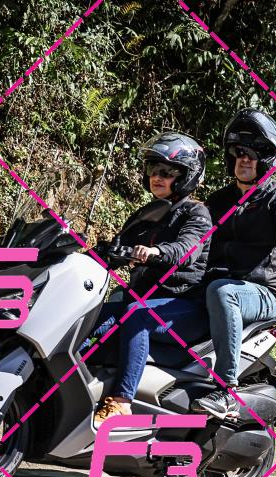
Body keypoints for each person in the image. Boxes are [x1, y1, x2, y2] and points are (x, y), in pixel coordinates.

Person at [192, 108, 276, 419]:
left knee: (222, 291)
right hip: (217, 284)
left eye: (253, 154)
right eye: (239, 152)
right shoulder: (218, 201)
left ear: (266, 160)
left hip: (261, 292)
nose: (245, 160)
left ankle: (226, 392)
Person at [89, 132, 212, 425]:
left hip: (182, 304)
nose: (158, 177)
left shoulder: (197, 213)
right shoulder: (148, 214)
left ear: (187, 176)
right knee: (89, 318)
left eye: (168, 172)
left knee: (137, 315)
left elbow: (187, 249)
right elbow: (116, 247)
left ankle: (122, 403)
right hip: (145, 298)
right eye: (153, 169)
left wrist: (157, 251)